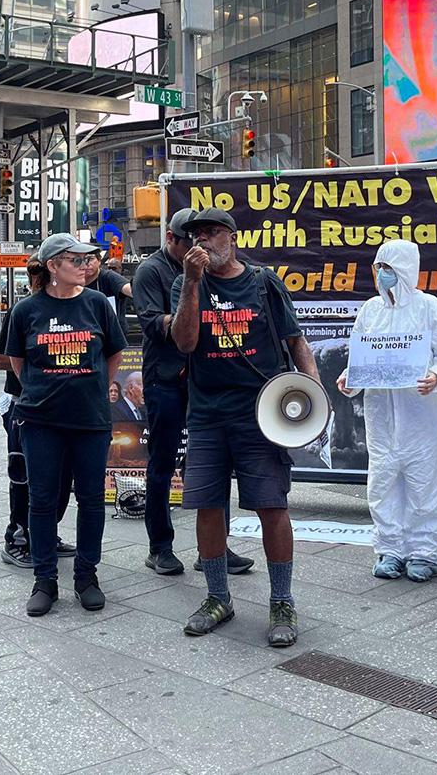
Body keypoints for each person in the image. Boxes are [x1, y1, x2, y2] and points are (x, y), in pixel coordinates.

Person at [170, 207, 321, 647]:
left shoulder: (263, 282)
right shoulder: (187, 283)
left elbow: (295, 340)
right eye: (196, 235)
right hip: (207, 415)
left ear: (232, 238)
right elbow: (184, 342)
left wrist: (313, 393)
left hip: (262, 415)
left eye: (212, 233)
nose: (203, 240)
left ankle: (282, 601)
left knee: (272, 506)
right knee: (207, 506)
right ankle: (218, 597)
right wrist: (192, 283)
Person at [4, 233, 126, 617]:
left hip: (90, 420)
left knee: (91, 499)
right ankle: (45, 580)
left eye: (87, 260)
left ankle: (87, 576)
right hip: (40, 420)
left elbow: (114, 352)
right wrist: (41, 390)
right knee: (42, 500)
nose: (86, 266)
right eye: (76, 260)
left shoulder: (97, 304)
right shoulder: (26, 310)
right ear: (53, 265)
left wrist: (96, 388)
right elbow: (18, 362)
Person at [133, 209, 253, 577]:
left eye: (202, 238)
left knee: (215, 462)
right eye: (189, 240)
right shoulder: (151, 271)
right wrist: (188, 307)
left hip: (202, 378)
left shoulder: (214, 268)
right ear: (170, 239)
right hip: (166, 378)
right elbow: (152, 323)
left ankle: (215, 548)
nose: (196, 246)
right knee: (163, 461)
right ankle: (160, 547)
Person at [336, 240, 437, 582]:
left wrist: (436, 377)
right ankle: (390, 549)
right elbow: (359, 360)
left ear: (405, 270)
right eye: (379, 267)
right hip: (382, 417)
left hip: (422, 415)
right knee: (384, 482)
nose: (382, 274)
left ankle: (424, 552)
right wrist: (350, 379)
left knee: (425, 482)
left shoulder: (428, 307)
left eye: (388, 268)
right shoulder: (370, 310)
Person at [0, 258, 76, 568]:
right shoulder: (23, 309)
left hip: (62, 405)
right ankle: (17, 538)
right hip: (24, 404)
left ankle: (45, 533)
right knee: (24, 475)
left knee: (61, 476)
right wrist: (41, 358)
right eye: (34, 273)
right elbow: (2, 359)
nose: (36, 279)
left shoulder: (69, 307)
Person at [85, 249, 133, 341]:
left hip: (111, 337)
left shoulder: (108, 277)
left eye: (90, 259)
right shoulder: (73, 279)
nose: (87, 263)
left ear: (99, 261)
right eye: (81, 260)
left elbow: (129, 289)